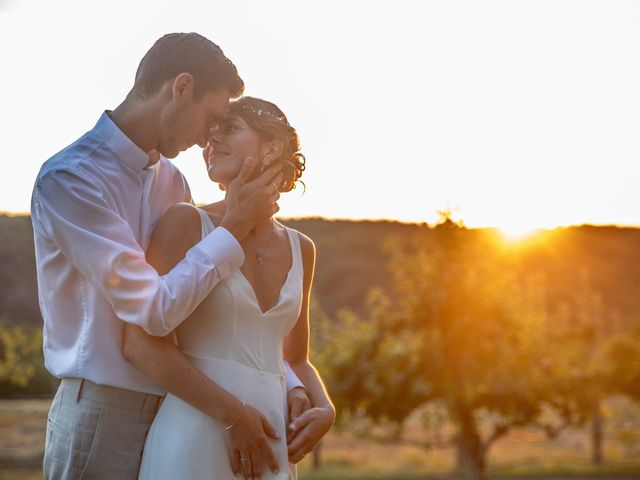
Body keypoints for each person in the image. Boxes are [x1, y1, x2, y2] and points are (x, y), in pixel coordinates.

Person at [31, 33, 309, 480]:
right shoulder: (71, 180)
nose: (209, 137)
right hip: (105, 411)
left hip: (182, 407)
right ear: (180, 88)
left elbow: (211, 313)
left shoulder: (172, 181)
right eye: (212, 117)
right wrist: (235, 225)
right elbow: (152, 311)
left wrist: (290, 386)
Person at [123, 96, 335, 480]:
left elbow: (296, 359)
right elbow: (141, 345)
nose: (211, 143)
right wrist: (232, 416)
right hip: (195, 435)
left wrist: (326, 410)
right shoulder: (185, 224)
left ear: (272, 146)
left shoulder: (302, 248)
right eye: (210, 135)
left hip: (271, 442)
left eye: (230, 130)